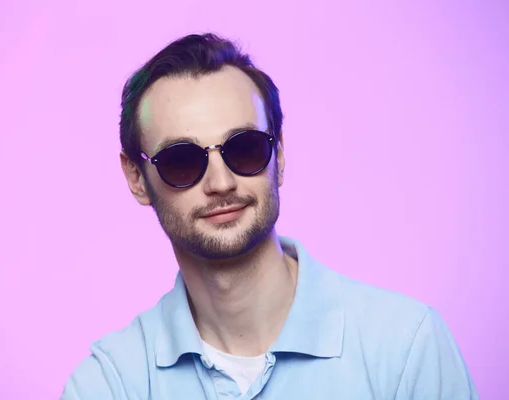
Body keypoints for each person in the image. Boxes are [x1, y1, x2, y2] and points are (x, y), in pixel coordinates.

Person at [61, 33, 478, 399]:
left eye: (245, 148)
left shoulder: (405, 347)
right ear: (136, 177)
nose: (221, 183)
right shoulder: (109, 384)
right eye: (182, 160)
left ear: (278, 156)